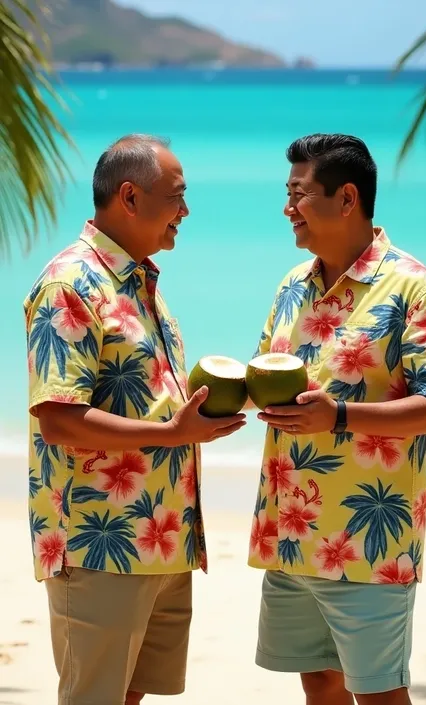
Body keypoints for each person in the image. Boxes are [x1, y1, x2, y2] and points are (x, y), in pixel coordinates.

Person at [24, 134, 246, 705]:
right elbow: (59, 419)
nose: (186, 211)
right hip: (100, 540)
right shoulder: (70, 284)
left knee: (130, 695)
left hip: (161, 535)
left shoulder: (139, 281)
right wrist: (173, 434)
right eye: (177, 196)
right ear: (129, 196)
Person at [248, 133, 426, 705]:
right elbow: (262, 379)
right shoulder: (292, 286)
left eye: (299, 194)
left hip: (368, 543)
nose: (286, 208)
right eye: (287, 192)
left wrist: (340, 416)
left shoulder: (417, 290)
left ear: (347, 199)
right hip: (291, 534)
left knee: (379, 695)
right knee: (319, 686)